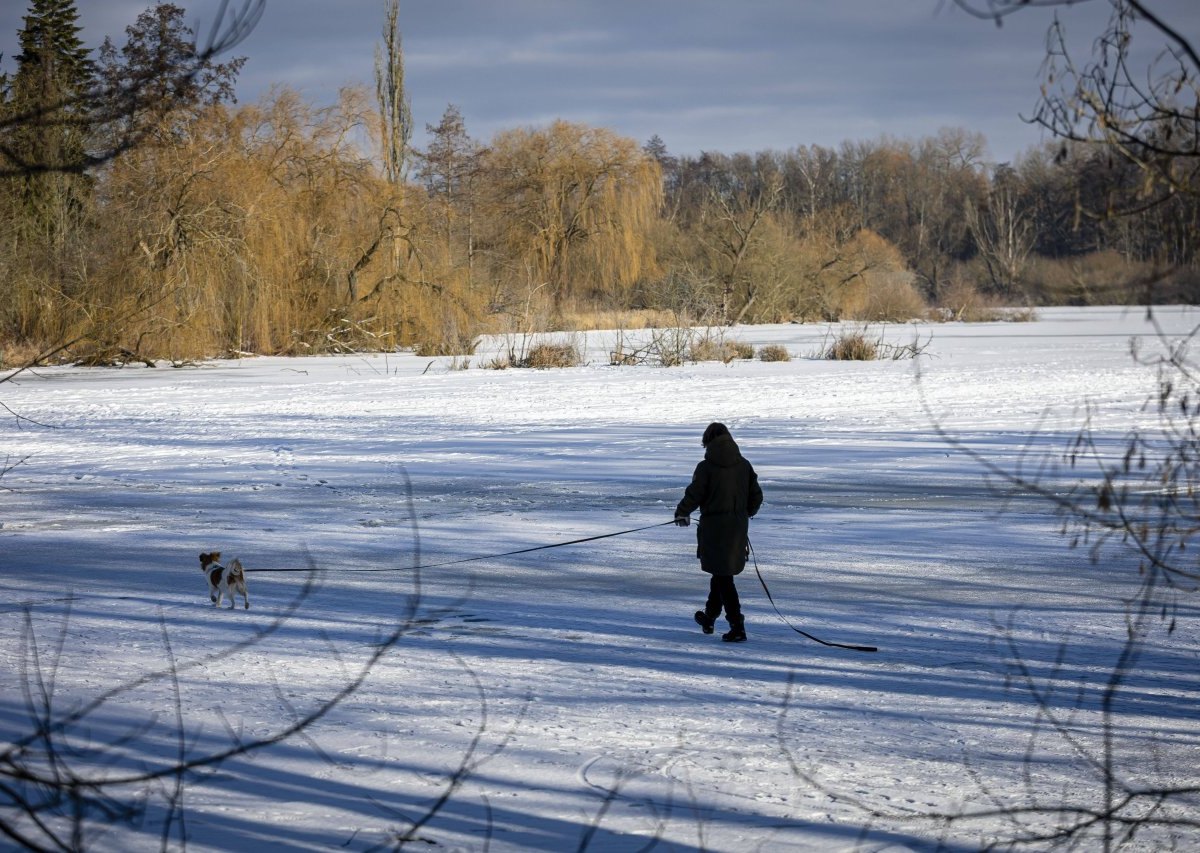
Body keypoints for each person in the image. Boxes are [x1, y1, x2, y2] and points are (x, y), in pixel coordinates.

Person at [674, 422, 763, 642]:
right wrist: (744, 514)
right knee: (721, 573)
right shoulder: (744, 465)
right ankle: (710, 617)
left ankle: (737, 626)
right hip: (737, 529)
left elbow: (695, 494)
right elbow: (756, 496)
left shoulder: (706, 467)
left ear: (708, 441)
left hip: (714, 530)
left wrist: (682, 513)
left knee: (724, 578)